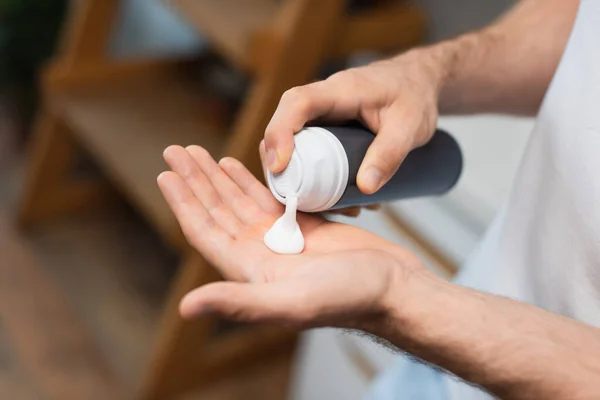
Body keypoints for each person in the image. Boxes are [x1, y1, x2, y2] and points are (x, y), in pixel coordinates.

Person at [157, 0, 600, 398]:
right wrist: (429, 69)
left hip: (467, 332)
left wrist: (404, 302)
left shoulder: (411, 303)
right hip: (449, 363)